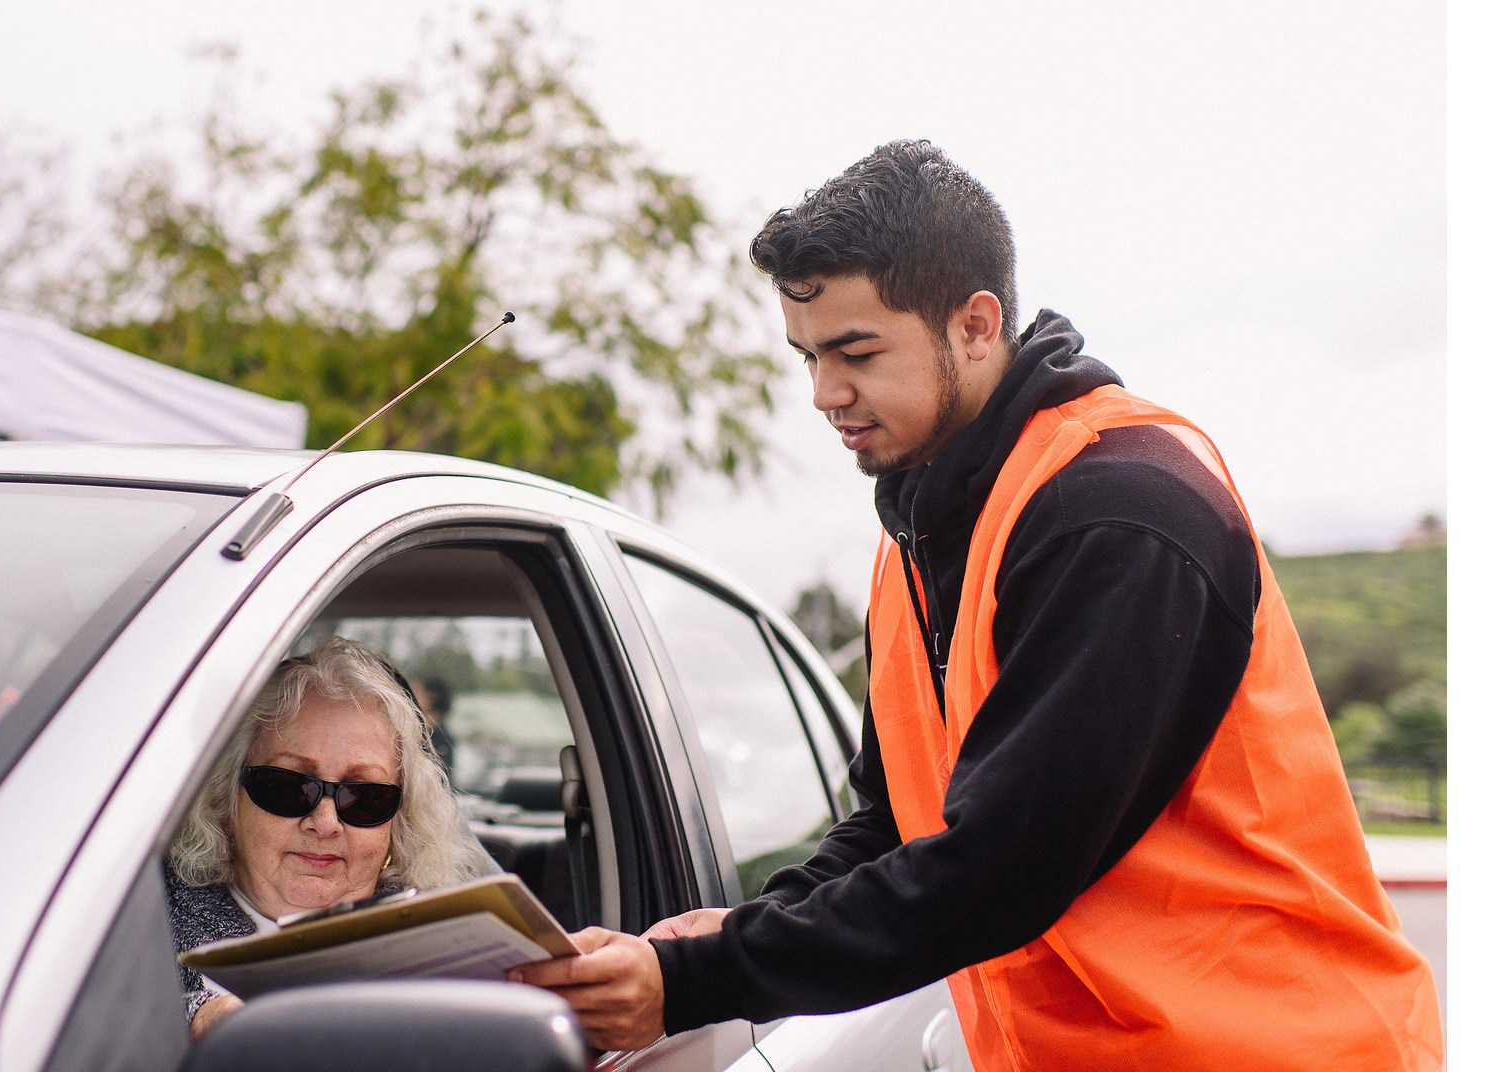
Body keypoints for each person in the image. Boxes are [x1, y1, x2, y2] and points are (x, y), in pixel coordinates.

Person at [515, 141, 1444, 1070]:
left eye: (856, 352)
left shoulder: (1120, 513)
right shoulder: (917, 537)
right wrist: (734, 932)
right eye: (807, 356)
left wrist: (696, 981)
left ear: (974, 324)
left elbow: (1000, 870)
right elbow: (897, 825)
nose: (824, 394)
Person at [166, 635, 494, 1041]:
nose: (325, 822)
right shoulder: (137, 925)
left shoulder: (457, 952)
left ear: (399, 827)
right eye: (289, 787)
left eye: (364, 797)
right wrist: (201, 1022)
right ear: (225, 802)